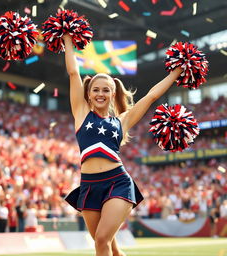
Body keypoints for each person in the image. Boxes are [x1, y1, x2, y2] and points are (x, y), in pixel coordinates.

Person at [63, 33, 182, 256]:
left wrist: (177, 71)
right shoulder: (80, 113)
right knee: (111, 249)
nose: (100, 93)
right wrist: (67, 38)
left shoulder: (122, 121)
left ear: (113, 93)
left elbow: (151, 96)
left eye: (106, 90)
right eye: (96, 89)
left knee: (101, 240)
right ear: (88, 93)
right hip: (88, 186)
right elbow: (73, 72)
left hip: (117, 182)